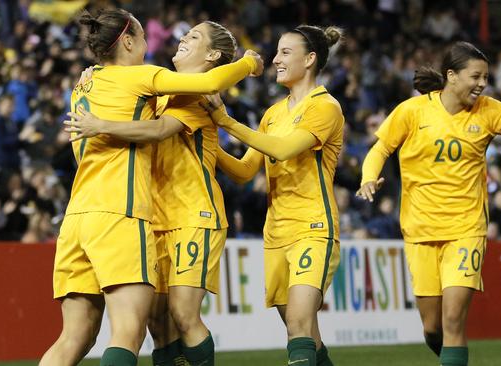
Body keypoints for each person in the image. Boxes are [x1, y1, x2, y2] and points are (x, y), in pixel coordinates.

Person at [39, 8, 262, 366]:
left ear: (212, 56)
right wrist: (250, 64)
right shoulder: (146, 84)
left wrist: (100, 120)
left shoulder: (90, 84)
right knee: (134, 328)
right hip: (125, 215)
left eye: (192, 37)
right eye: (143, 37)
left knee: (89, 333)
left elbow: (171, 121)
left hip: (167, 213)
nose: (173, 40)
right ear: (127, 40)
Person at [356, 41, 501, 366]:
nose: (482, 84)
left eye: (486, 77)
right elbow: (379, 149)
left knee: (453, 318)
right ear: (452, 75)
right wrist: (368, 178)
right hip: (420, 231)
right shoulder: (412, 111)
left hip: (465, 229)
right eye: (476, 76)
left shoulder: (489, 110)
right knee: (432, 329)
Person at [200, 25, 344, 366]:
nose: (275, 59)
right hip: (276, 234)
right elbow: (245, 172)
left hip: (313, 228)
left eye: (284, 52)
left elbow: (282, 149)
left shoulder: (325, 107)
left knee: (297, 324)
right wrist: (204, 143)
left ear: (310, 60)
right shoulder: (273, 114)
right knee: (306, 334)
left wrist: (225, 120)